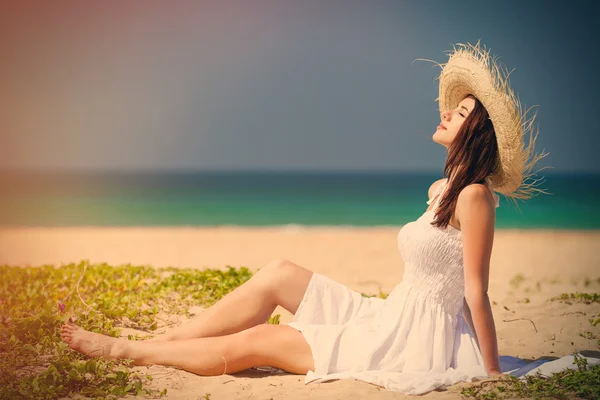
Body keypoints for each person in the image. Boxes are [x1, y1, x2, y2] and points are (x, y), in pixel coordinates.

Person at [61, 40, 550, 395]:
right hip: (388, 315)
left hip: (409, 339)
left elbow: (474, 292)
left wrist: (491, 372)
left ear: (476, 134)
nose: (446, 114)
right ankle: (166, 340)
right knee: (279, 274)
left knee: (261, 340)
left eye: (460, 113)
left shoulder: (476, 199)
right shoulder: (441, 190)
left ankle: (127, 351)